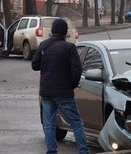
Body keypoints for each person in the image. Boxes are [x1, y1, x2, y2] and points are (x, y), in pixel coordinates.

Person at [31, 18, 90, 154]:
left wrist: (47, 64)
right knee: (76, 121)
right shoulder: (69, 47)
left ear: (52, 31)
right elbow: (77, 70)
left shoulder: (44, 46)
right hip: (64, 92)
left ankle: (51, 151)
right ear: (65, 32)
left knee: (49, 123)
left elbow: (35, 65)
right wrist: (72, 85)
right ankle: (83, 151)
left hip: (46, 92)